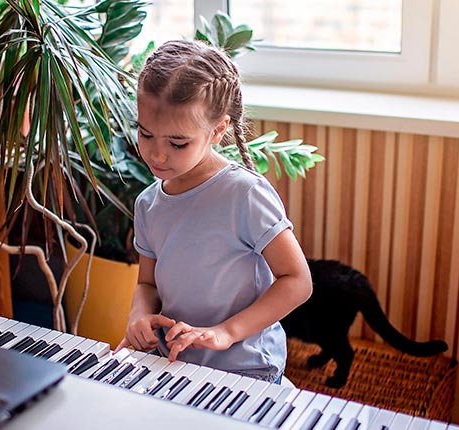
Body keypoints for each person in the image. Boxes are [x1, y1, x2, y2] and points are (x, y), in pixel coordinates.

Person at [114, 39, 312, 384]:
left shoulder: (243, 194)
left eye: (177, 143)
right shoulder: (148, 204)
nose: (157, 155)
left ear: (218, 130)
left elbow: (298, 282)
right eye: (146, 135)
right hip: (175, 362)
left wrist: (226, 332)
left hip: (246, 368)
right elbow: (147, 283)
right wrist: (139, 314)